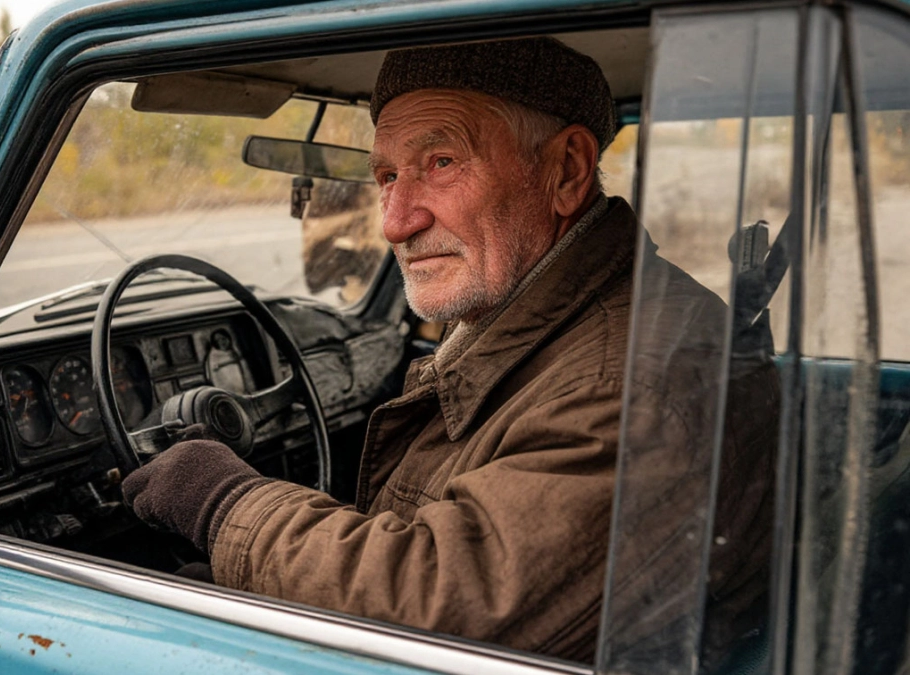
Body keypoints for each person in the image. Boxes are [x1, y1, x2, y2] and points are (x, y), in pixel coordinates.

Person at [121, 38, 776, 664]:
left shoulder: (629, 387)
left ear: (566, 171)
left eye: (441, 163)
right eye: (386, 175)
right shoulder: (561, 316)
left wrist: (222, 502)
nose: (396, 220)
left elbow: (440, 606)